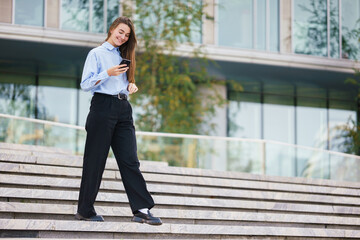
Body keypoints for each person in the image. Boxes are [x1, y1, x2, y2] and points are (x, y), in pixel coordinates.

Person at [75, 16, 162, 225]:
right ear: (112, 29)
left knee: (130, 159)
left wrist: (130, 86)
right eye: (120, 32)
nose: (123, 37)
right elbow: (85, 84)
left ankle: (141, 209)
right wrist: (107, 73)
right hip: (102, 107)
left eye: (127, 35)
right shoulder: (96, 53)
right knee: (95, 160)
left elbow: (122, 83)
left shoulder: (124, 55)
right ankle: (85, 210)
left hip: (124, 109)